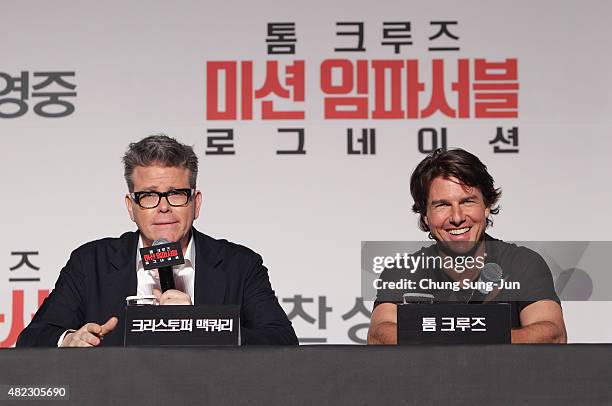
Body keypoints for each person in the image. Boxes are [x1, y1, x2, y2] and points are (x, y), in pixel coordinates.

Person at [17, 135, 298, 347]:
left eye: (176, 194)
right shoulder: (91, 263)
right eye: (149, 195)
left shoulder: (240, 265)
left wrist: (198, 326)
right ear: (131, 206)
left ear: (196, 203)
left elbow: (281, 340)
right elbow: (33, 338)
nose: (164, 208)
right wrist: (69, 340)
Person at [368, 148, 567, 344]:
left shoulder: (522, 264)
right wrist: (462, 340)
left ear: (487, 206)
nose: (457, 217)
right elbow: (379, 334)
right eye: (442, 205)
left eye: (467, 202)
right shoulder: (402, 272)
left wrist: (468, 340)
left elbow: (552, 333)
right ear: (425, 215)